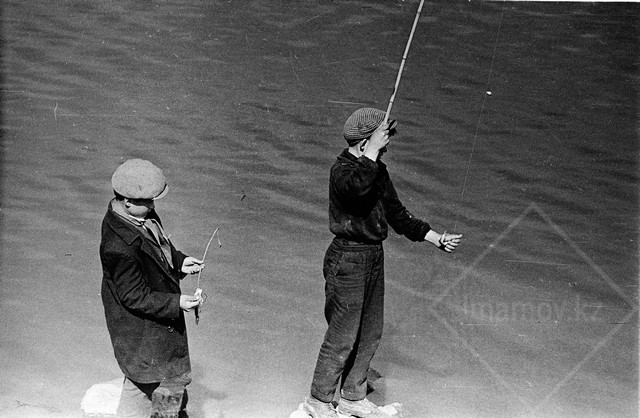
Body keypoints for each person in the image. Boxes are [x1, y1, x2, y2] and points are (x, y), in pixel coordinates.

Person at [303, 108, 462, 418]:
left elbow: (397, 214)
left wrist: (434, 238)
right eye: (381, 143)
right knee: (342, 335)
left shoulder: (377, 171)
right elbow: (356, 192)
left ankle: (352, 397)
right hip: (347, 257)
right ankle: (318, 402)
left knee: (371, 331)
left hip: (373, 256)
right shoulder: (342, 172)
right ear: (365, 144)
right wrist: (372, 153)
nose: (386, 148)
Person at [100, 158, 205, 418]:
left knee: (167, 377)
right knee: (144, 382)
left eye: (153, 200)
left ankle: (172, 413)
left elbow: (159, 247)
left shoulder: (139, 213)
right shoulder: (119, 246)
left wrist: (180, 261)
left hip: (154, 322)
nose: (153, 206)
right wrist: (176, 303)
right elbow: (134, 297)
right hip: (139, 327)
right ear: (126, 201)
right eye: (147, 201)